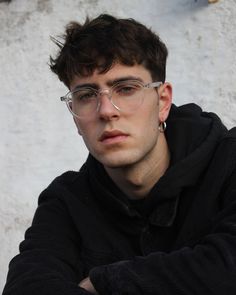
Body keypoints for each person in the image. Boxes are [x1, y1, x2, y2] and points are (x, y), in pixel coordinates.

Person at [3, 13, 236, 295]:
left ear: (163, 102)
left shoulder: (228, 162)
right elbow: (27, 287)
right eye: (87, 95)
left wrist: (103, 283)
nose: (106, 110)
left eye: (126, 89)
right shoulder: (66, 201)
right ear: (75, 116)